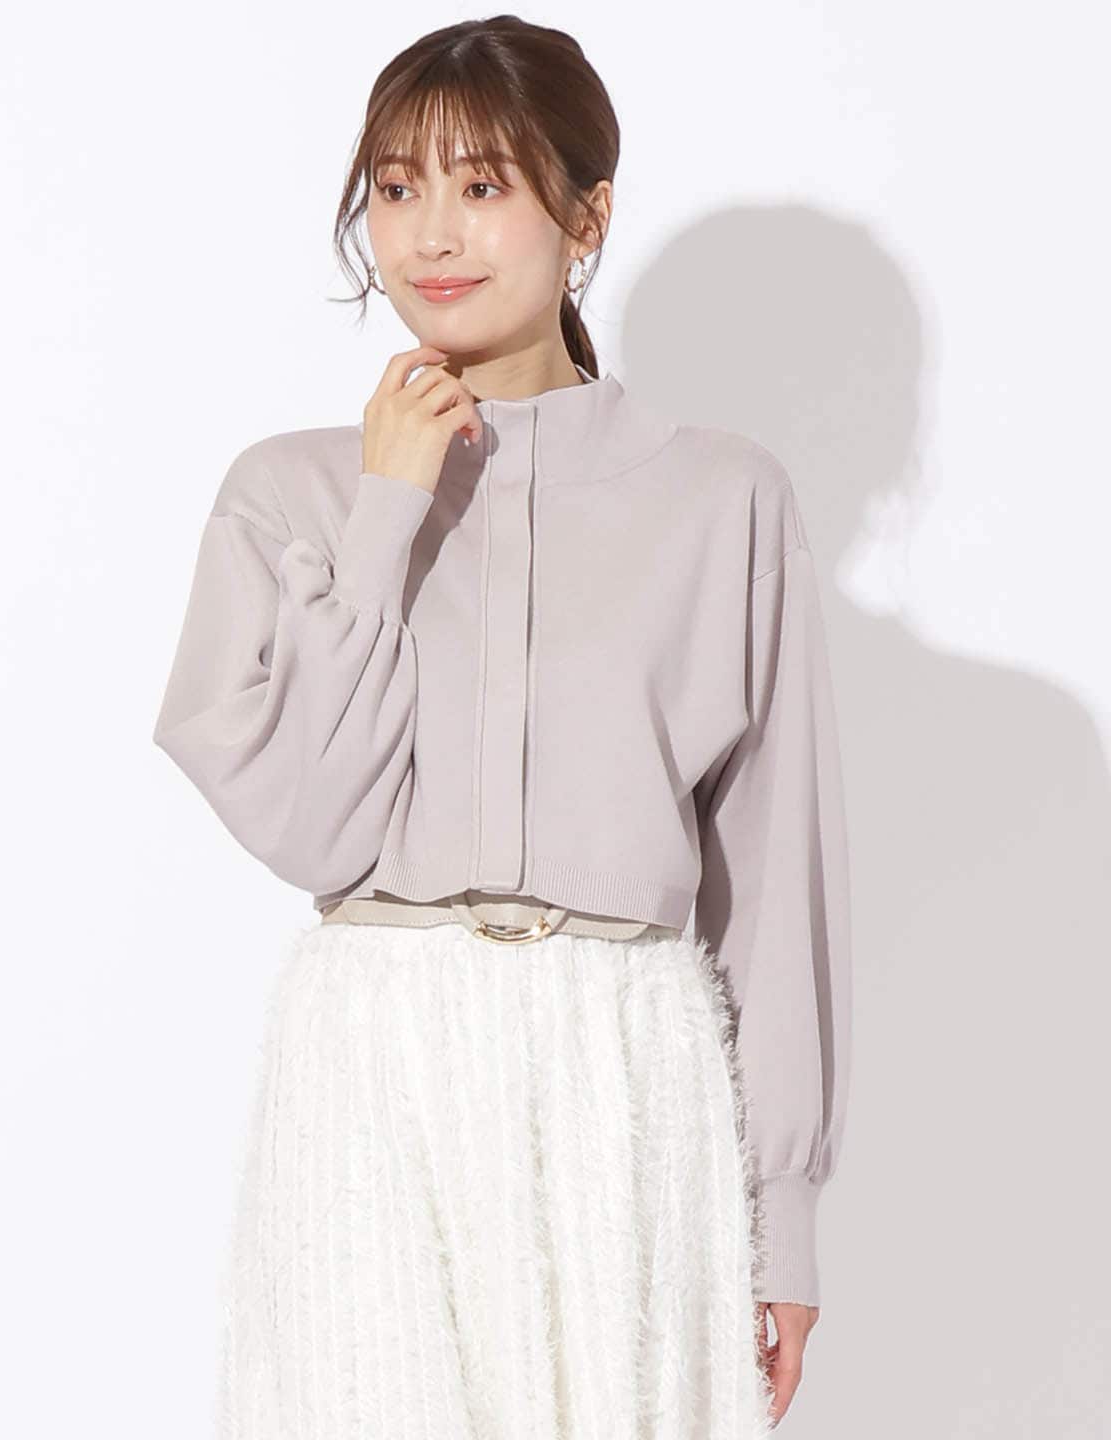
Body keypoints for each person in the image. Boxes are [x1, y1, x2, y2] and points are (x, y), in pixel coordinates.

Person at [152, 16, 851, 1438]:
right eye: (396, 187)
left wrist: (781, 1219)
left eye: (482, 185)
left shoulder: (724, 499)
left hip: (628, 1065)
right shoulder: (289, 495)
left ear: (587, 216)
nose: (430, 234)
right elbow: (315, 831)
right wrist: (389, 505)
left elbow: (775, 884)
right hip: (377, 1061)